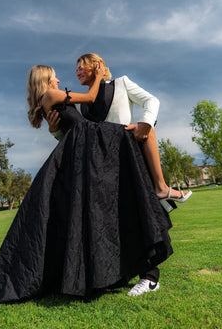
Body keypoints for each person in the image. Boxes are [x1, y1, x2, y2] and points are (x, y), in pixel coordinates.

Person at [0, 64, 173, 304]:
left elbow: (70, 125)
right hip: (90, 149)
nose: (58, 79)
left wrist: (55, 128)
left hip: (91, 151)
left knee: (110, 209)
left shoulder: (53, 98)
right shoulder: (51, 95)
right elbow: (91, 97)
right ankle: (162, 190)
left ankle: (161, 192)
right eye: (54, 76)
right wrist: (99, 74)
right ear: (45, 79)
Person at [48, 53, 191, 296]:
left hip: (128, 159)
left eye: (81, 67)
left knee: (140, 214)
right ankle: (115, 274)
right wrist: (55, 131)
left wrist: (146, 123)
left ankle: (150, 277)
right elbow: (77, 138)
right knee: (110, 222)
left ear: (96, 66)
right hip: (99, 170)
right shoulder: (80, 103)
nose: (77, 72)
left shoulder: (122, 83)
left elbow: (152, 101)